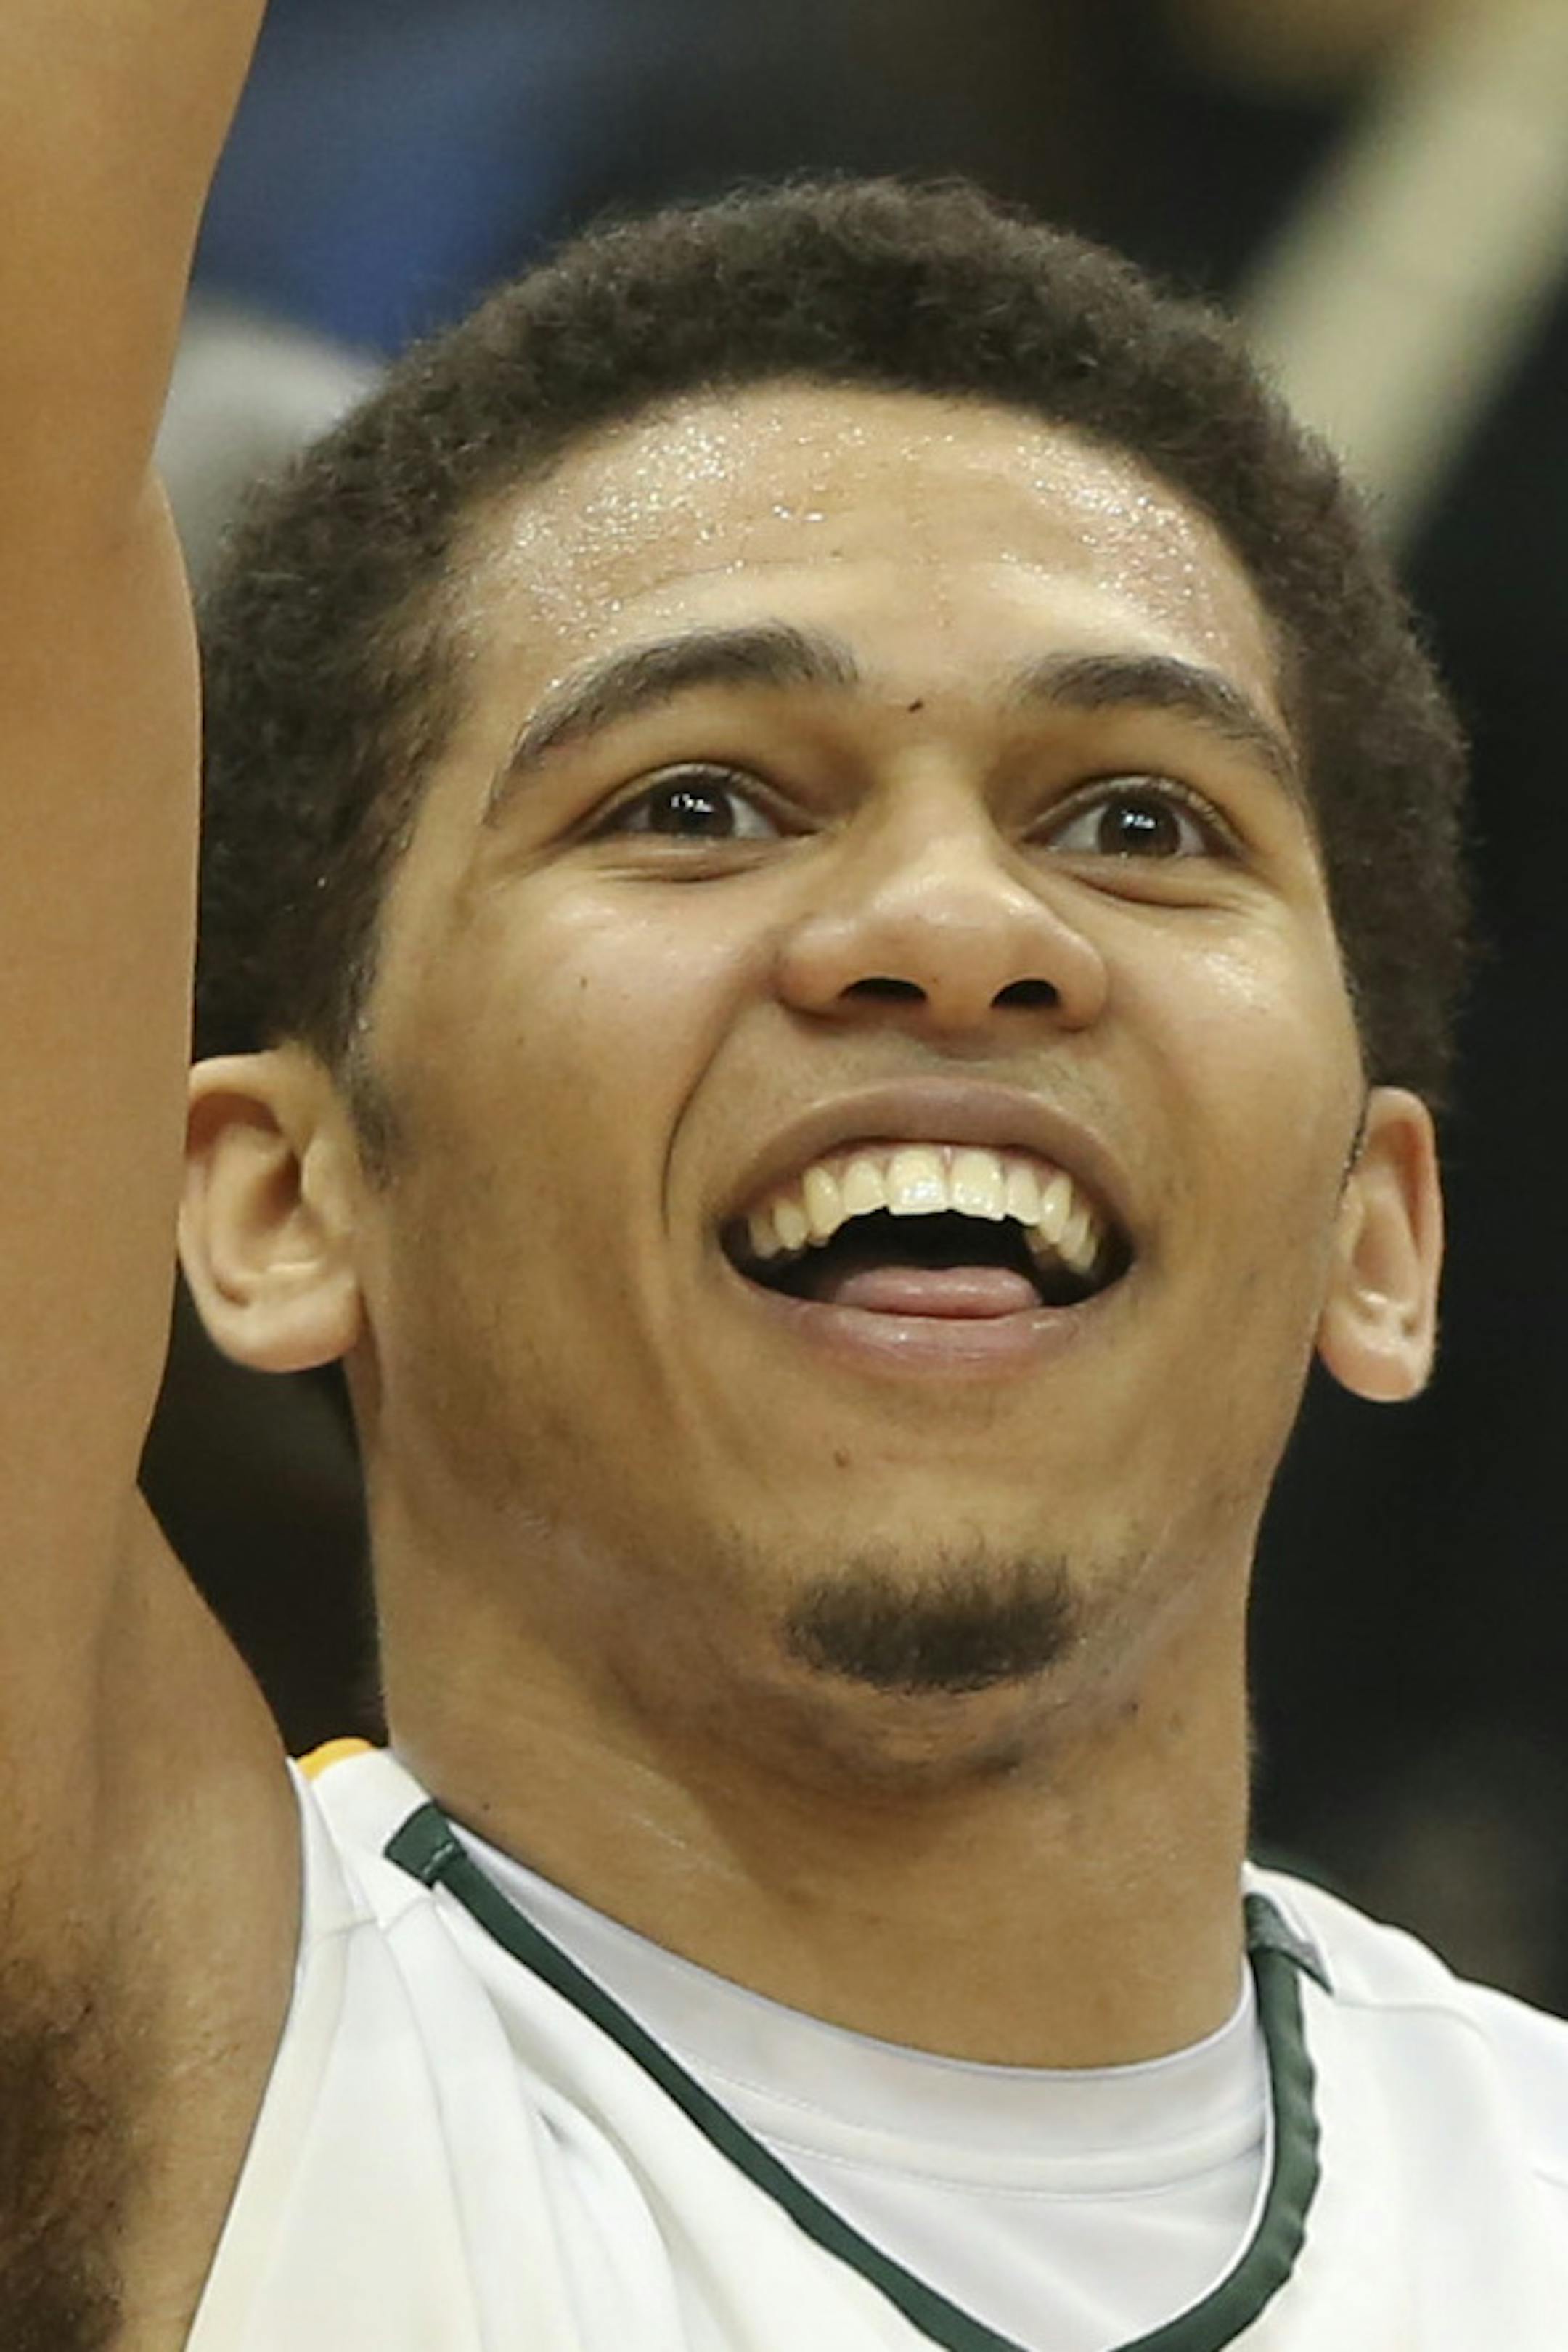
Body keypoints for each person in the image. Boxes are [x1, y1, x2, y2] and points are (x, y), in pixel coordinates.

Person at [2, 6, 1564, 2350]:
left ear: (1381, 1230)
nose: (958, 930)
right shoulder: (181, 2063)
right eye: (699, 801)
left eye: (1140, 820)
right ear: (275, 1199)